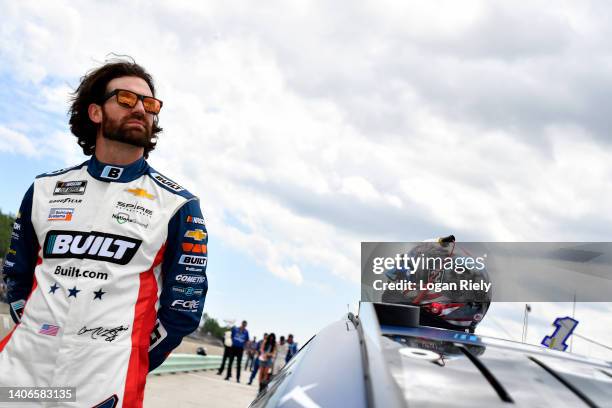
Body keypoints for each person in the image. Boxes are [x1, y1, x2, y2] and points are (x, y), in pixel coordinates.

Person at [0, 59, 209, 408]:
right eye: (127, 99)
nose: (141, 108)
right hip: (22, 370)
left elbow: (183, 310)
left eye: (150, 104)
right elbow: (16, 276)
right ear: (95, 112)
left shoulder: (178, 205)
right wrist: (42, 334)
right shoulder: (44, 189)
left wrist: (123, 356)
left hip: (103, 384)